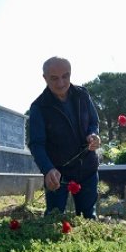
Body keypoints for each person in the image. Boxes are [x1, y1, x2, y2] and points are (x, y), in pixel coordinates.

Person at [28, 56, 101, 218]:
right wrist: (48, 169)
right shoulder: (39, 107)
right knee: (54, 216)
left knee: (89, 217)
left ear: (70, 73)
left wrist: (93, 134)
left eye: (65, 76)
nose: (61, 83)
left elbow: (94, 121)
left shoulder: (83, 95)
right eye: (54, 78)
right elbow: (36, 144)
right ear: (45, 78)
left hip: (88, 167)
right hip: (58, 173)